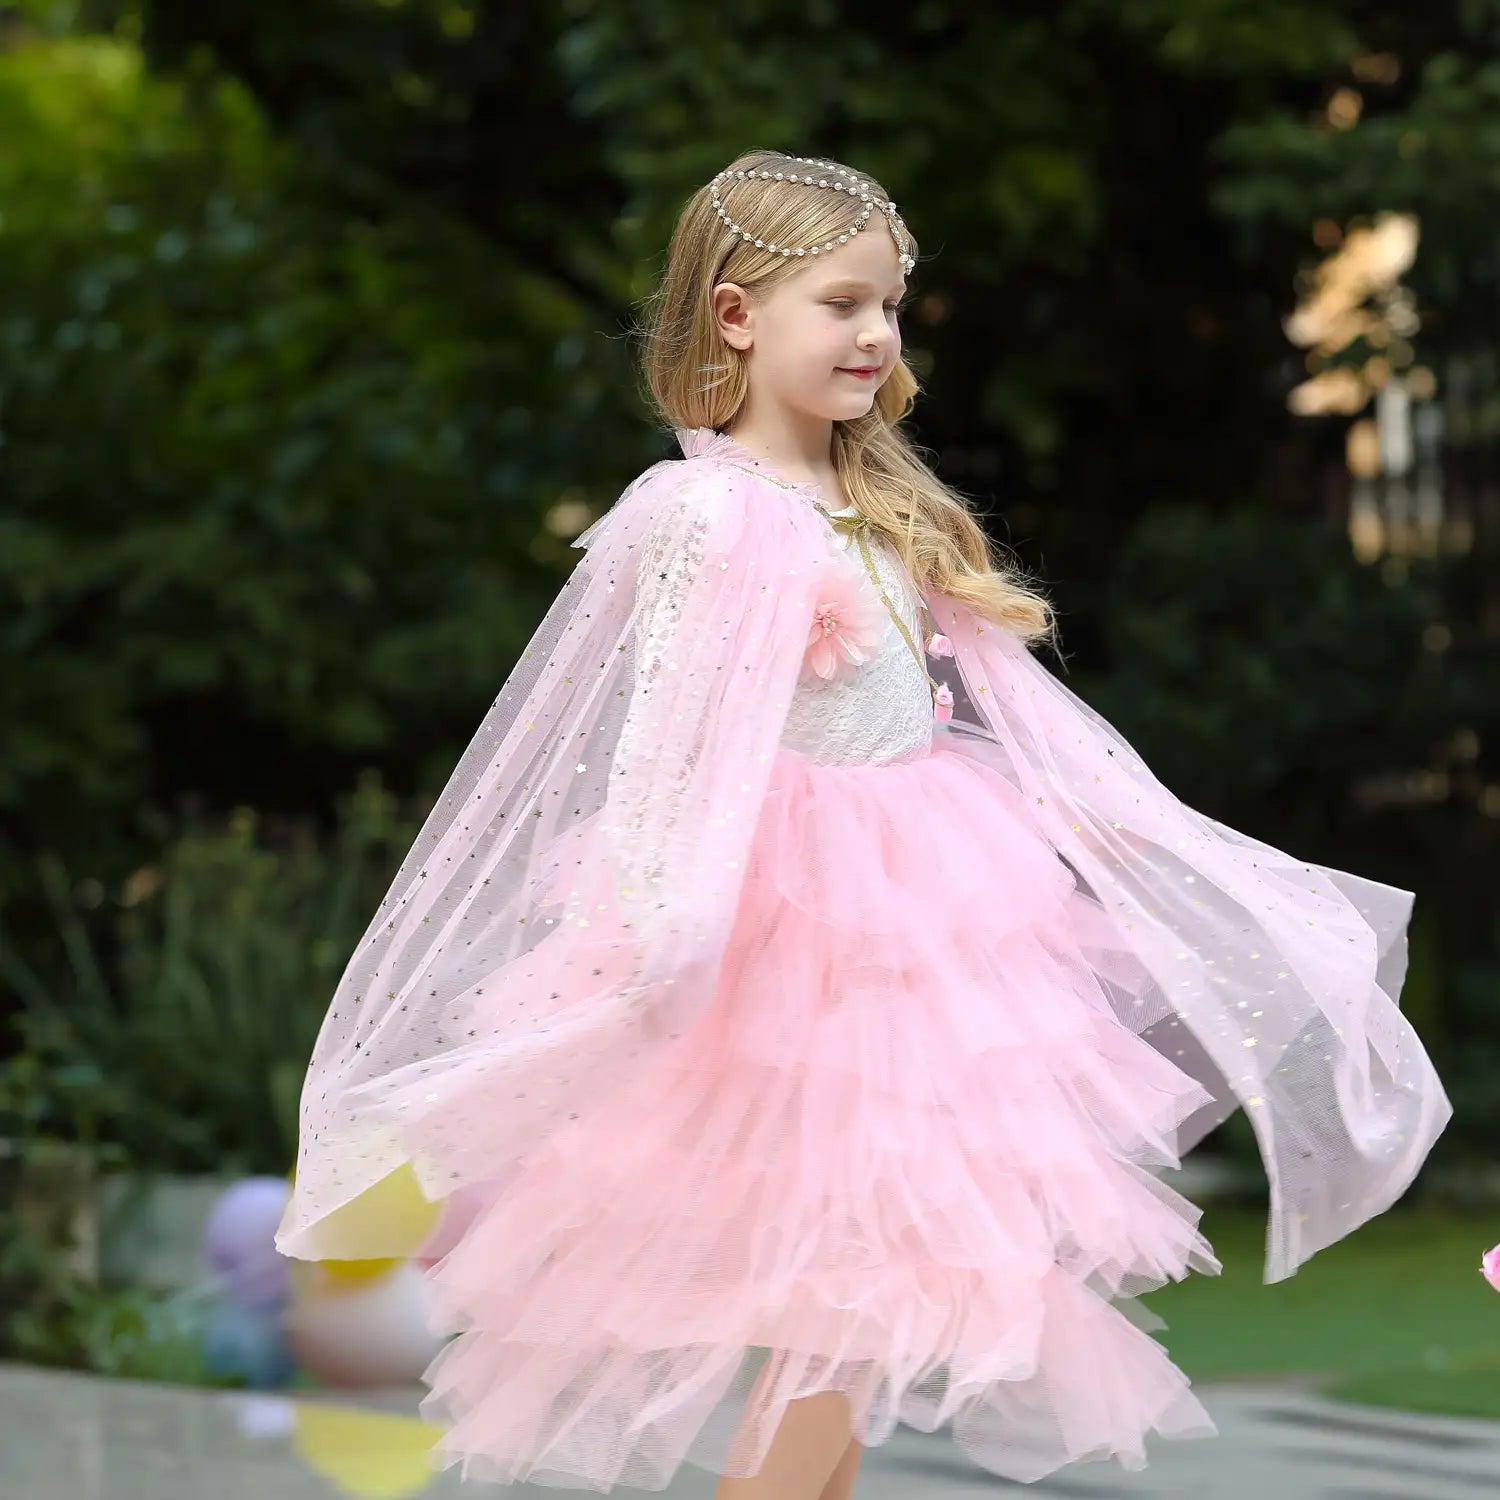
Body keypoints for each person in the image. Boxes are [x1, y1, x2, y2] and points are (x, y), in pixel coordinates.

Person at [275, 149, 1452, 1497]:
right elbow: (667, 761)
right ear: (734, 316)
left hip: (928, 951)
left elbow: (1018, 729)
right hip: (783, 967)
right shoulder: (708, 517)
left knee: (852, 1340)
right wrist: (649, 963)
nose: (877, 336)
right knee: (841, 1328)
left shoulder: (883, 511)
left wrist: (1182, 865)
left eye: (890, 307)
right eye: (841, 304)